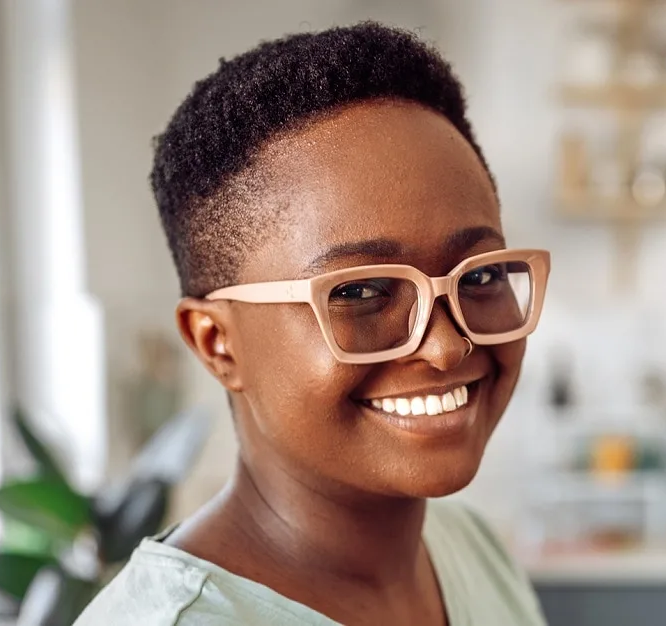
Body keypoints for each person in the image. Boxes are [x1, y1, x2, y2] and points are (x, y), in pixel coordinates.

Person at [76, 21, 550, 626]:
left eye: (480, 276)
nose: (446, 346)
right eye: (358, 291)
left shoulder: (467, 547)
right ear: (217, 342)